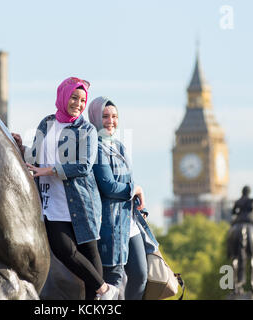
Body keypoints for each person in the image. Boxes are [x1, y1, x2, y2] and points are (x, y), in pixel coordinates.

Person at [12, 77, 119, 300]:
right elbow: (37, 157)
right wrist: (22, 147)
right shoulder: (46, 123)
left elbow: (83, 164)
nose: (78, 104)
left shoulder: (87, 129)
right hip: (52, 203)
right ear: (63, 96)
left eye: (82, 100)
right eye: (74, 97)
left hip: (82, 203)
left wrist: (50, 171)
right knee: (63, 250)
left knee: (90, 258)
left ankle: (97, 298)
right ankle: (106, 290)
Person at [88, 96, 159, 300]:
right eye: (105, 116)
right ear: (95, 118)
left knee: (140, 275)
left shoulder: (119, 146)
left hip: (129, 222)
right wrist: (135, 189)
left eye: (115, 116)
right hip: (110, 223)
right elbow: (108, 187)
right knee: (114, 279)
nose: (111, 121)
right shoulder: (96, 148)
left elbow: (128, 180)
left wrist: (138, 203)